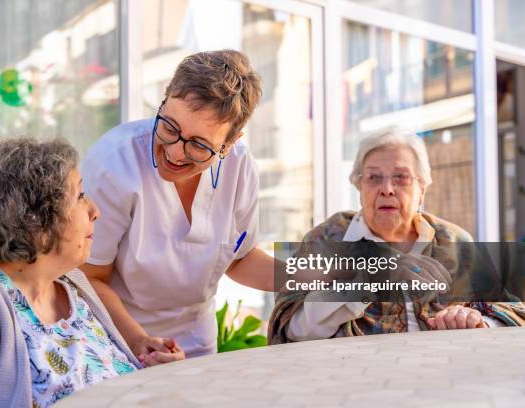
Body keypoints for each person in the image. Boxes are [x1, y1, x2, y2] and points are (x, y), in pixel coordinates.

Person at [0, 138, 178, 407]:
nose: (95, 211)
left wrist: (150, 367)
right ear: (34, 220)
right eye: (80, 196)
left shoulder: (71, 283)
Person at [80, 50, 275, 358]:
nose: (174, 152)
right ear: (164, 100)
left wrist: (325, 278)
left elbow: (241, 259)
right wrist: (137, 340)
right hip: (116, 340)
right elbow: (90, 277)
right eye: (169, 126)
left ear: (230, 143)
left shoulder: (240, 166)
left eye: (199, 145)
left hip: (196, 341)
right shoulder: (114, 163)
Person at [268, 130, 525, 343]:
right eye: (373, 178)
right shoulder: (325, 239)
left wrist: (478, 320)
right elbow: (291, 330)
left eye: (401, 178)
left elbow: (515, 311)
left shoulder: (456, 242)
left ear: (421, 189)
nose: (387, 190)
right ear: (359, 188)